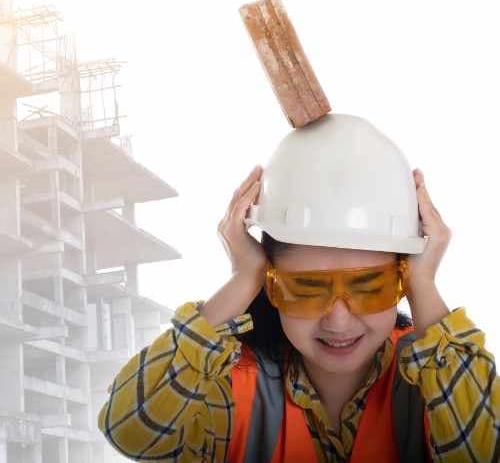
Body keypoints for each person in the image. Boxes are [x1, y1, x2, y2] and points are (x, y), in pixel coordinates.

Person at [97, 119, 500, 462]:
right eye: (306, 289)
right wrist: (242, 278)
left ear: (401, 279)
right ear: (270, 285)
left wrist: (424, 284)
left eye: (368, 286)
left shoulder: (434, 387)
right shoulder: (232, 391)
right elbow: (130, 429)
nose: (339, 319)